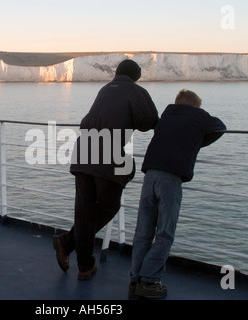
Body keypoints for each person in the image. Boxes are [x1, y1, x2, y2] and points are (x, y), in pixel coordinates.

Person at [53, 59, 159, 280]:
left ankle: (84, 266)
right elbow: (149, 121)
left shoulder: (104, 90)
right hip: (107, 153)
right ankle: (67, 243)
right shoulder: (136, 91)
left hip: (82, 151)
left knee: (84, 211)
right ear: (136, 76)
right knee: (109, 206)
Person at [129, 89, 226, 299]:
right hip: (170, 180)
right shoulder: (197, 117)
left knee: (143, 232)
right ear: (195, 106)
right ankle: (149, 281)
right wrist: (197, 139)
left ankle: (135, 279)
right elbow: (220, 127)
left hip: (150, 176)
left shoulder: (165, 117)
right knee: (164, 233)